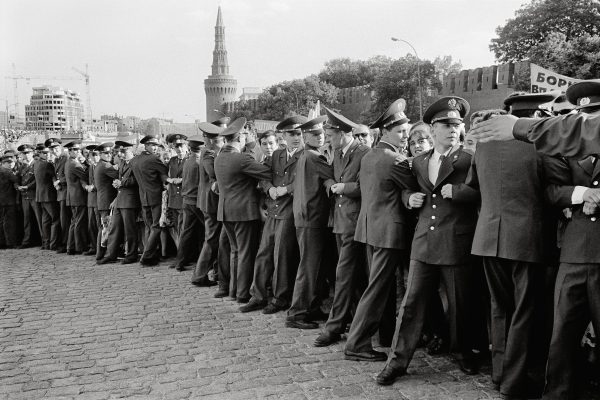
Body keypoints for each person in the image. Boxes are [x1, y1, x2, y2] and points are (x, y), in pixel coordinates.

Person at [376, 96, 483, 385]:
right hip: (424, 241)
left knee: (460, 304)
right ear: (432, 128)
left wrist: (459, 192)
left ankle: (461, 352)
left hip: (456, 241)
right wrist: (407, 198)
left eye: (457, 124)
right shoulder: (419, 161)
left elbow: (483, 194)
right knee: (411, 304)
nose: (453, 129)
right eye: (446, 124)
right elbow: (404, 190)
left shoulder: (469, 159)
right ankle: (397, 361)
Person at [539, 80, 600, 400]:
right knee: (563, 332)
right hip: (575, 250)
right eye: (585, 114)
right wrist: (585, 193)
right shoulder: (565, 145)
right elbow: (552, 190)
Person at [344, 98, 416, 361]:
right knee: (376, 289)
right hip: (388, 232)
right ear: (386, 131)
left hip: (369, 229)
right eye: (400, 132)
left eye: (406, 131)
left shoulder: (370, 155)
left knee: (378, 287)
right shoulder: (395, 159)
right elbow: (415, 185)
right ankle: (357, 344)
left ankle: (381, 337)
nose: (405, 136)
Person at [313, 107, 370, 345]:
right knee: (351, 276)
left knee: (344, 275)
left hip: (354, 222)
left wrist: (344, 187)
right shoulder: (338, 153)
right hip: (339, 221)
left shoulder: (364, 153)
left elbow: (366, 186)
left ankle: (334, 328)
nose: (328, 138)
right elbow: (330, 176)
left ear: (344, 133)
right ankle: (357, 322)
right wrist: (331, 183)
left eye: (331, 134)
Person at [238, 116, 306, 314]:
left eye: (298, 134)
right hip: (274, 209)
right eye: (291, 134)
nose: (296, 138)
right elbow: (265, 175)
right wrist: (269, 189)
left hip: (290, 210)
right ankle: (258, 296)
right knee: (263, 253)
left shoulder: (305, 155)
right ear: (282, 136)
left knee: (282, 256)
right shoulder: (277, 154)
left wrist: (286, 189)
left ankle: (280, 298)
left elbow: (306, 180)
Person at [286, 115, 336, 329]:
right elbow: (336, 176)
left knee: (314, 267)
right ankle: (297, 314)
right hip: (312, 219)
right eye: (315, 134)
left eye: (322, 133)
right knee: (309, 267)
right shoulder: (315, 157)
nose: (320, 136)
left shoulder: (306, 155)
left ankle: (311, 308)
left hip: (307, 218)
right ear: (306, 136)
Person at [214, 117, 272, 303]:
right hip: (243, 212)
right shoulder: (241, 158)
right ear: (239, 138)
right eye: (244, 136)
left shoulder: (219, 157)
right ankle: (242, 293)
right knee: (246, 252)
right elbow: (267, 173)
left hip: (226, 211)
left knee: (235, 252)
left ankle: (234, 290)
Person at [467, 79, 600, 158]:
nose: (588, 118)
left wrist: (517, 126)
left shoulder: (553, 141)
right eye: (582, 113)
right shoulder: (550, 144)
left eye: (594, 112)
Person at [192, 122, 229, 290]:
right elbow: (214, 174)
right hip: (211, 202)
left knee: (213, 238)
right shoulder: (210, 154)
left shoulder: (210, 152)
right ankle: (199, 275)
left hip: (209, 201)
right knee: (212, 239)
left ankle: (211, 272)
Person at [97, 142, 140, 265]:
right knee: (114, 228)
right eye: (119, 152)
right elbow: (120, 179)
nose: (120, 154)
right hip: (120, 199)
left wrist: (122, 183)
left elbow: (137, 179)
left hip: (130, 200)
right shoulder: (122, 163)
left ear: (131, 151)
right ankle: (111, 255)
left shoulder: (135, 163)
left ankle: (131, 255)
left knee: (130, 229)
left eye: (124, 152)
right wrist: (117, 185)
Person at [130, 134, 168, 266]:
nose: (155, 148)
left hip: (143, 197)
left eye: (157, 146)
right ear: (145, 146)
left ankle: (151, 255)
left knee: (148, 227)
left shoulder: (135, 160)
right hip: (155, 197)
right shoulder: (154, 159)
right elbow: (165, 172)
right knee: (156, 227)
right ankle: (146, 256)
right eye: (153, 145)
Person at [171, 135, 206, 272]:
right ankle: (203, 263)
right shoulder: (199, 162)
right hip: (197, 201)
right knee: (207, 232)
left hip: (186, 201)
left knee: (187, 232)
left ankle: (180, 261)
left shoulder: (188, 161)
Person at [93, 143, 118, 261]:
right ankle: (103, 254)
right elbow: (119, 175)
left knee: (103, 228)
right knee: (106, 229)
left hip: (102, 200)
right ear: (101, 154)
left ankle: (100, 254)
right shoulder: (106, 166)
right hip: (107, 201)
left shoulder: (99, 165)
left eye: (110, 153)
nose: (109, 155)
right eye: (106, 153)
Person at [63, 141, 89, 255]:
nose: (78, 152)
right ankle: (79, 246)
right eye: (75, 150)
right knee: (79, 222)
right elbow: (85, 176)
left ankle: (71, 246)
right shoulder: (75, 164)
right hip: (78, 197)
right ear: (70, 151)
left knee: (74, 222)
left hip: (72, 196)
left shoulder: (69, 162)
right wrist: (87, 164)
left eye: (78, 150)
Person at [46, 138, 70, 253]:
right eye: (52, 149)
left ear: (60, 147)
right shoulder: (57, 159)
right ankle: (65, 243)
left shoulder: (65, 158)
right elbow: (54, 174)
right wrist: (55, 182)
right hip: (60, 192)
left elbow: (69, 175)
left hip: (66, 193)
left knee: (65, 220)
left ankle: (66, 244)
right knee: (62, 219)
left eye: (55, 148)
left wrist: (59, 182)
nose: (54, 151)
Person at [34, 146, 60, 251]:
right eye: (44, 153)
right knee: (55, 219)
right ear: (39, 153)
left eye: (48, 153)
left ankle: (46, 243)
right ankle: (53, 244)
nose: (47, 154)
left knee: (45, 220)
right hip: (49, 196)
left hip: (40, 196)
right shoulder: (48, 164)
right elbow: (54, 176)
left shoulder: (36, 164)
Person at [16, 144, 42, 248]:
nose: (26, 155)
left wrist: (27, 187)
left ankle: (44, 240)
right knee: (27, 220)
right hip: (25, 196)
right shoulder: (22, 166)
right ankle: (27, 241)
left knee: (39, 218)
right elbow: (17, 179)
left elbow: (38, 179)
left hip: (34, 194)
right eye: (24, 153)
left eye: (28, 153)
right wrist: (17, 186)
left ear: (32, 153)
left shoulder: (36, 164)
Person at [165, 134, 188, 249]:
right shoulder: (172, 160)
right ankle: (181, 253)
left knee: (185, 228)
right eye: (176, 146)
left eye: (181, 146)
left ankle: (185, 255)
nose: (179, 149)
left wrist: (182, 180)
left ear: (186, 146)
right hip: (174, 199)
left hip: (185, 198)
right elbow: (163, 174)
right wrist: (170, 180)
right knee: (177, 227)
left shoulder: (190, 159)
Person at [83, 145, 100, 256]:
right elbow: (83, 180)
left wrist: (94, 187)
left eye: (95, 155)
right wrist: (86, 186)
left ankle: (101, 248)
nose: (93, 157)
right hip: (91, 200)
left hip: (99, 199)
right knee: (91, 225)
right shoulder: (90, 167)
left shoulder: (103, 166)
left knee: (100, 225)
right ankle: (94, 247)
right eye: (91, 155)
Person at [0, 154, 18, 249]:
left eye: (12, 162)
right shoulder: (6, 172)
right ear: (3, 163)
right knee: (9, 223)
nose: (11, 165)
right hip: (8, 202)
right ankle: (10, 243)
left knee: (2, 222)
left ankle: (2, 243)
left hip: (2, 201)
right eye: (8, 163)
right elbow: (16, 179)